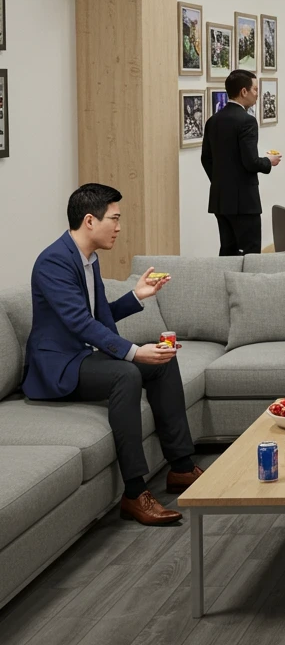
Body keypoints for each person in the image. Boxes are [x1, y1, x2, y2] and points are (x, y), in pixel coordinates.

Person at [24, 184, 201, 526]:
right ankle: (135, 493)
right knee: (127, 373)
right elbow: (79, 323)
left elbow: (95, 314)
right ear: (90, 220)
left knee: (164, 359)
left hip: (84, 356)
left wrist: (136, 296)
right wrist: (133, 353)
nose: (119, 227)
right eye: (114, 219)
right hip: (60, 367)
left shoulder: (88, 258)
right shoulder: (54, 262)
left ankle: (181, 467)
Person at [201, 69, 281, 255]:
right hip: (244, 202)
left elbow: (206, 158)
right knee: (250, 253)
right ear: (243, 92)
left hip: (220, 199)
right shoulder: (247, 121)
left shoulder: (213, 121)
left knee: (227, 251)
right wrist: (269, 161)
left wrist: (221, 182)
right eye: (255, 89)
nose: (257, 94)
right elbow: (251, 162)